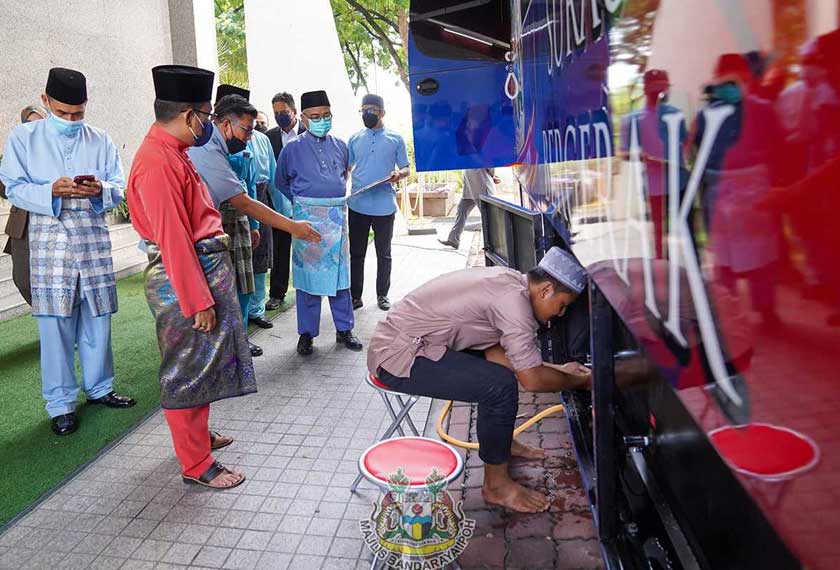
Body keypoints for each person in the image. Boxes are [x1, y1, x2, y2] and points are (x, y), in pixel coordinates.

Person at [127, 65, 317, 489]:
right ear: (190, 115)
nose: (210, 125)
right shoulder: (157, 162)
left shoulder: (173, 152)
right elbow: (174, 240)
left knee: (204, 362)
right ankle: (196, 464)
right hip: (185, 275)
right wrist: (198, 301)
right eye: (207, 116)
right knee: (187, 370)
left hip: (202, 266)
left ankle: (199, 437)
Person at [368, 247, 592, 513]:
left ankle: (501, 442)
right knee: (499, 386)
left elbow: (507, 358)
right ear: (545, 290)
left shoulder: (511, 282)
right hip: (398, 357)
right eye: (563, 305)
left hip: (413, 343)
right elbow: (532, 379)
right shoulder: (514, 305)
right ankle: (496, 486)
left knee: (498, 375)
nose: (561, 314)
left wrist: (560, 369)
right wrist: (583, 382)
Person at [0, 68, 136, 436]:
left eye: (78, 114)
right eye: (63, 113)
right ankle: (60, 404)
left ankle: (100, 388)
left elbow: (119, 187)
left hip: (91, 234)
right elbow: (12, 187)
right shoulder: (23, 138)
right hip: (49, 236)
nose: (72, 121)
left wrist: (100, 190)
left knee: (97, 316)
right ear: (45, 102)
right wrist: (50, 191)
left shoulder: (101, 138)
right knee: (55, 324)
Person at [276, 90, 363, 356]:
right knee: (308, 281)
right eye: (315, 116)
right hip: (307, 222)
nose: (321, 120)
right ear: (303, 117)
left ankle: (344, 329)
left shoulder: (340, 145)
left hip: (337, 220)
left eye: (326, 115)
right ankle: (306, 334)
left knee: (340, 279)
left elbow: (343, 175)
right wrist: (306, 207)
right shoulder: (291, 149)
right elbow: (281, 182)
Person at [347, 94, 410, 311]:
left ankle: (382, 295)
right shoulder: (355, 139)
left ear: (382, 112)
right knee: (357, 253)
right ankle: (355, 296)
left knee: (384, 254)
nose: (366, 114)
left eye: (371, 110)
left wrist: (397, 174)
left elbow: (406, 168)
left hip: (384, 206)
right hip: (357, 206)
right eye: (363, 110)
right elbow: (346, 168)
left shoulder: (395, 138)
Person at [1, 105, 48, 306]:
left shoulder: (57, 151)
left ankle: (59, 324)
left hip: (50, 222)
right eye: (29, 124)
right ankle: (47, 317)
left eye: (39, 123)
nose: (34, 128)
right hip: (23, 226)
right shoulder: (14, 152)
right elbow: (5, 189)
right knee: (22, 279)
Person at [265, 92, 304, 311]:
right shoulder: (269, 137)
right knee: (280, 251)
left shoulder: (308, 133)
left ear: (294, 111)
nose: (280, 116)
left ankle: (308, 290)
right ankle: (277, 294)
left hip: (304, 202)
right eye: (276, 113)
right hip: (279, 203)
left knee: (306, 250)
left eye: (284, 112)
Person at [438, 168, 501, 249]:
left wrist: (493, 175)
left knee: (487, 218)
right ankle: (453, 240)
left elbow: (489, 165)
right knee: (461, 212)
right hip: (469, 188)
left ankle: (490, 244)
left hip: (481, 187)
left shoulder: (480, 155)